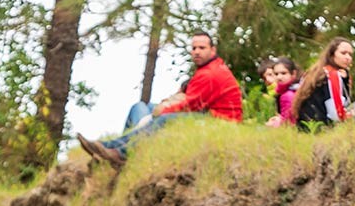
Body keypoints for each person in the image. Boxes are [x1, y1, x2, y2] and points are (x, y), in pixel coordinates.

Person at [78, 32, 242, 168]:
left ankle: (119, 153)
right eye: (194, 48)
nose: (197, 51)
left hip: (221, 120)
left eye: (202, 48)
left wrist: (163, 111)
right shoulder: (208, 69)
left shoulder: (210, 73)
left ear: (212, 50)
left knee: (164, 119)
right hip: (209, 114)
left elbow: (190, 106)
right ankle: (107, 147)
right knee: (146, 107)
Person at [293, 38, 355, 127]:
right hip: (321, 126)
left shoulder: (315, 73)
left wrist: (345, 80)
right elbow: (336, 114)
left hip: (305, 124)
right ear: (331, 55)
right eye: (343, 53)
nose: (348, 58)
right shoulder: (332, 74)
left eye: (350, 54)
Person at [266, 57, 300, 127]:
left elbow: (288, 124)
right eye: (276, 74)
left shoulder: (288, 95)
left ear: (293, 73)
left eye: (283, 73)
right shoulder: (296, 90)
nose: (279, 77)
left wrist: (274, 123)